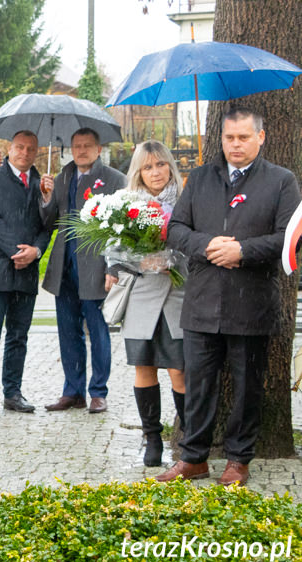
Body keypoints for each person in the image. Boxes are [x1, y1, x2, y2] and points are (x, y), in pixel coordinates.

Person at [159, 107, 300, 486]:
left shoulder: (281, 181)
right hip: (203, 300)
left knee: (246, 386)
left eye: (243, 137)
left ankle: (238, 458)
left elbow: (289, 238)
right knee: (200, 385)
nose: (235, 145)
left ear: (261, 137)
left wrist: (243, 250)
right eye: (229, 138)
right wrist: (206, 245)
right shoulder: (201, 177)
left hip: (251, 301)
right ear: (220, 139)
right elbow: (176, 229)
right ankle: (193, 458)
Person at [106, 141, 187, 467]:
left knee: (179, 370)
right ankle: (152, 438)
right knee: (144, 368)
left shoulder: (184, 201)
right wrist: (139, 260)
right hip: (141, 295)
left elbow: (195, 242)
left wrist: (171, 259)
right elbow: (111, 249)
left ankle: (189, 438)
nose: (156, 172)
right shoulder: (126, 204)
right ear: (138, 172)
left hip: (177, 294)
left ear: (170, 166)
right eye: (148, 167)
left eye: (161, 165)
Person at [39, 128, 127, 413]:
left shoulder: (115, 180)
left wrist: (114, 266)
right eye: (76, 146)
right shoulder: (62, 178)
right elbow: (48, 220)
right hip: (64, 267)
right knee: (68, 332)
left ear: (98, 149)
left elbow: (123, 229)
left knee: (98, 331)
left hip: (96, 267)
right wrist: (47, 197)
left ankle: (98, 392)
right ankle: (72, 391)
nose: (81, 151)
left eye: (88, 146)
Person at [0, 130, 50, 418]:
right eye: (20, 147)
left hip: (26, 273)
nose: (25, 153)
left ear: (36, 152)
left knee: (19, 336)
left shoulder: (42, 185)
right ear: (10, 148)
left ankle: (13, 392)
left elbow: (48, 225)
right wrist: (17, 251)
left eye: (31, 149)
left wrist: (37, 252)